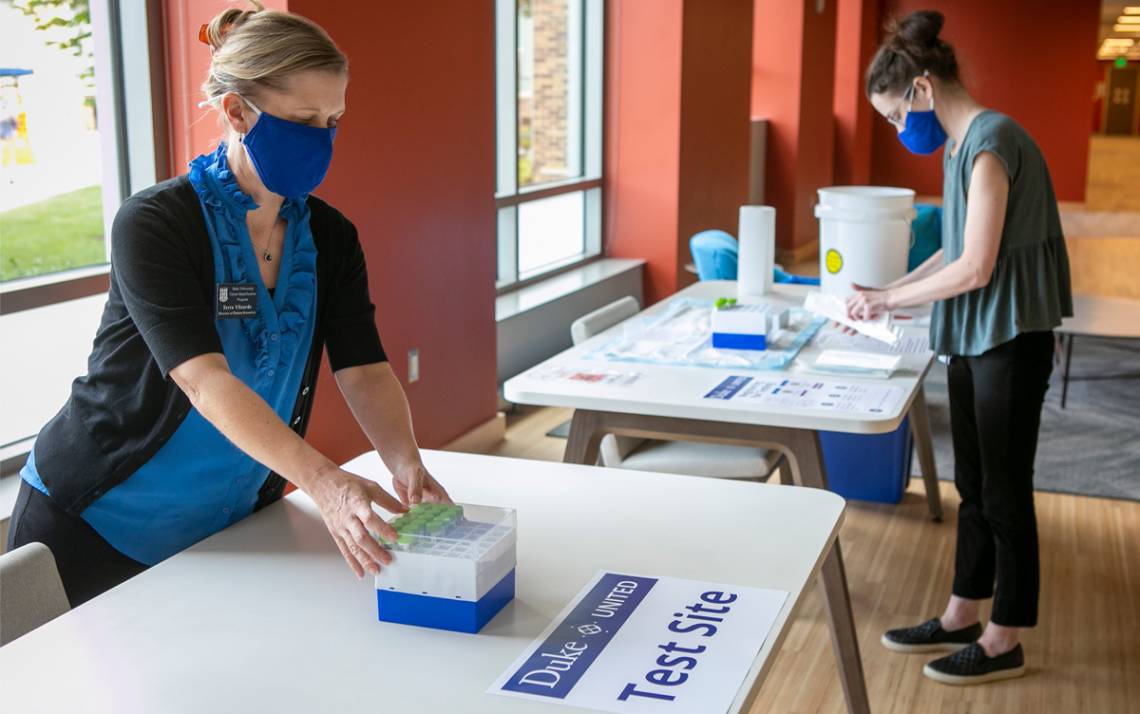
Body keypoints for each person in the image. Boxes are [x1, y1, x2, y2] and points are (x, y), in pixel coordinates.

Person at [6, 4, 450, 607]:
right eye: (303, 119)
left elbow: (363, 367)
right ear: (238, 111)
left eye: (333, 120)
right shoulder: (157, 224)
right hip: (97, 522)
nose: (323, 138)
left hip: (228, 524)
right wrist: (321, 479)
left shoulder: (331, 236)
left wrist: (405, 463)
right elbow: (204, 382)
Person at [850, 10, 1072, 685]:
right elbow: (954, 246)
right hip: (976, 334)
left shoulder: (990, 140)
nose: (898, 129)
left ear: (921, 87)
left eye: (894, 115)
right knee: (973, 484)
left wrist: (889, 302)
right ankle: (960, 615)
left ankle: (1006, 637)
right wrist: (890, 286)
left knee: (1005, 490)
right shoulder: (958, 147)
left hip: (1009, 337)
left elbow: (976, 267)